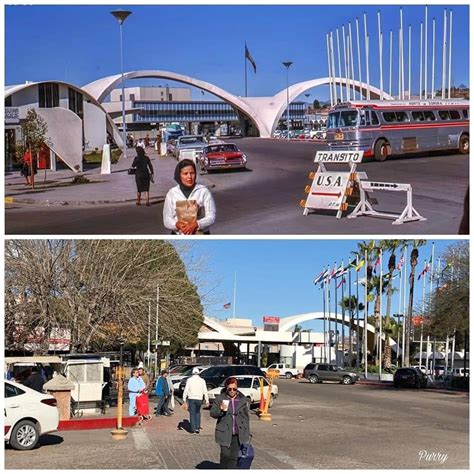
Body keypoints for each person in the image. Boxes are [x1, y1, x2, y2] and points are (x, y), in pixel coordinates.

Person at [163, 159, 216, 235]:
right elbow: (167, 219)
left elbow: (211, 216)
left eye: (192, 173)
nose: (189, 177)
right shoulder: (172, 193)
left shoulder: (203, 191)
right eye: (185, 174)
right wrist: (177, 224)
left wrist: (197, 224)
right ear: (179, 175)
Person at [210, 377, 251, 469]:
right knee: (225, 454)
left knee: (233, 457)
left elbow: (246, 417)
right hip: (224, 432)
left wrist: (246, 431)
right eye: (230, 389)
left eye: (234, 389)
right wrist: (220, 409)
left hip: (237, 433)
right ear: (226, 388)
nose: (232, 391)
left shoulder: (242, 399)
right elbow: (212, 413)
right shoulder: (220, 398)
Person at [182, 367, 209, 434]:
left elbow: (186, 389)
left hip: (191, 398)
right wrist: (207, 400)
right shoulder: (202, 380)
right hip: (199, 399)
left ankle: (193, 429)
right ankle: (197, 427)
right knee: (197, 412)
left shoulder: (189, 380)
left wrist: (184, 398)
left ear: (192, 373)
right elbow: (205, 391)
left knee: (192, 413)